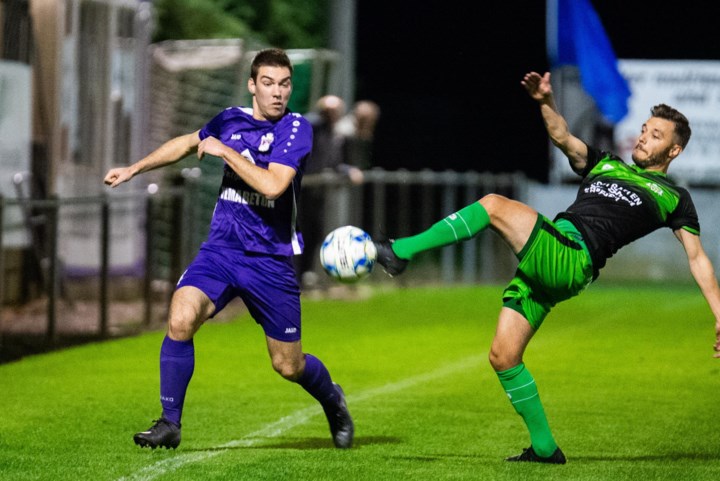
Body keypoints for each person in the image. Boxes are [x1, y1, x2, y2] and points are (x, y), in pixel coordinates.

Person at [372, 70, 720, 464]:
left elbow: (697, 257)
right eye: (644, 129)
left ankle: (399, 250)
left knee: (492, 205)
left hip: (571, 256)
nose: (643, 137)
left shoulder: (674, 197)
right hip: (553, 256)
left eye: (656, 135)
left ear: (674, 151)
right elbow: (561, 137)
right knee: (504, 356)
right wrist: (544, 101)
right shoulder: (606, 164)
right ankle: (544, 449)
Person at [103, 48, 354, 450]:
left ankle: (332, 398)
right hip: (221, 251)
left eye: (284, 84)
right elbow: (187, 142)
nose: (277, 92)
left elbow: (273, 186)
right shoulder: (230, 118)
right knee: (181, 317)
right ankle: (170, 422)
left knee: (287, 365)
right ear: (252, 85)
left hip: (269, 261)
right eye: (268, 83)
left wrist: (226, 152)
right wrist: (134, 168)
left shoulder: (296, 129)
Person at [296, 95, 364, 289]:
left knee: (314, 233)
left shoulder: (334, 134)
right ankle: (290, 279)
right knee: (296, 234)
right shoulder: (313, 126)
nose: (332, 115)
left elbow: (334, 162)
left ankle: (304, 277)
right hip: (300, 190)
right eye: (328, 111)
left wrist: (347, 170)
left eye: (335, 111)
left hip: (317, 192)